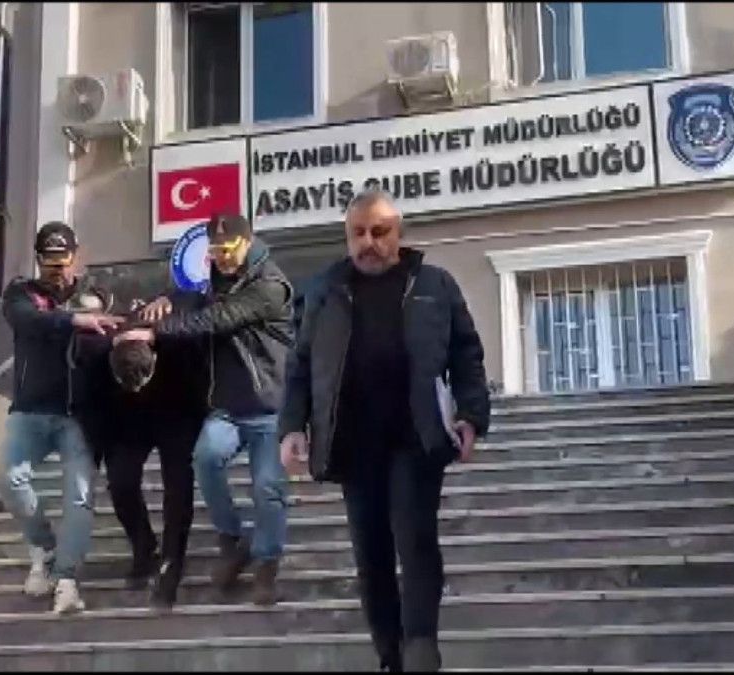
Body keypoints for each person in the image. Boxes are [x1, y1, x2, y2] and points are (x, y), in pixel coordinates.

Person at [277, 189, 491, 672]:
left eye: (379, 231)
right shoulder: (324, 290)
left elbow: (466, 354)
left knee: (416, 541)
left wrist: (471, 415)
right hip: (353, 444)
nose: (368, 242)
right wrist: (292, 426)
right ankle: (390, 655)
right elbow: (300, 364)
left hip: (416, 437)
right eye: (358, 233)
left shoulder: (434, 284)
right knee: (371, 557)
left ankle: (420, 647)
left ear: (398, 233)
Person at [127, 213, 294, 606]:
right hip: (227, 406)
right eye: (215, 250)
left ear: (248, 242)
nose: (222, 257)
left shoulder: (271, 285)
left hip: (269, 406)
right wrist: (166, 300)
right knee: (204, 458)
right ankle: (233, 540)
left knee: (267, 488)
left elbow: (218, 318)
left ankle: (266, 564)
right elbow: (193, 300)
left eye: (228, 249)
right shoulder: (213, 282)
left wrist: (155, 330)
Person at [0, 220, 123, 615]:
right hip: (31, 408)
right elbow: (27, 320)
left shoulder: (96, 292)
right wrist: (72, 320)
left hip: (79, 415)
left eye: (63, 260)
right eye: (48, 262)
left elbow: (106, 320)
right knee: (8, 476)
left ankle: (67, 578)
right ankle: (45, 549)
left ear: (75, 256)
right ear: (38, 259)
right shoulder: (21, 293)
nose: (57, 270)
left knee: (80, 497)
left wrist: (89, 311)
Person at [73, 303, 208, 610]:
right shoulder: (96, 359)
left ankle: (172, 560)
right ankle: (143, 545)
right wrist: (96, 453)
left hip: (176, 414)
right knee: (121, 481)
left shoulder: (177, 349)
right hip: (125, 423)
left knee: (178, 488)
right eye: (128, 385)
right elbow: (90, 410)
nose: (136, 390)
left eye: (140, 384)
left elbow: (200, 388)